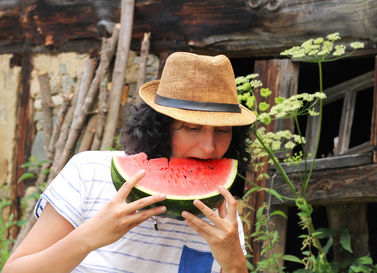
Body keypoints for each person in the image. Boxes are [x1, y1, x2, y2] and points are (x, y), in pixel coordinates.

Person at [4, 52, 256, 273]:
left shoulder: (223, 214)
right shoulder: (88, 173)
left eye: (222, 131)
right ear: (160, 127)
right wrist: (88, 238)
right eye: (192, 127)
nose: (210, 147)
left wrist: (234, 262)